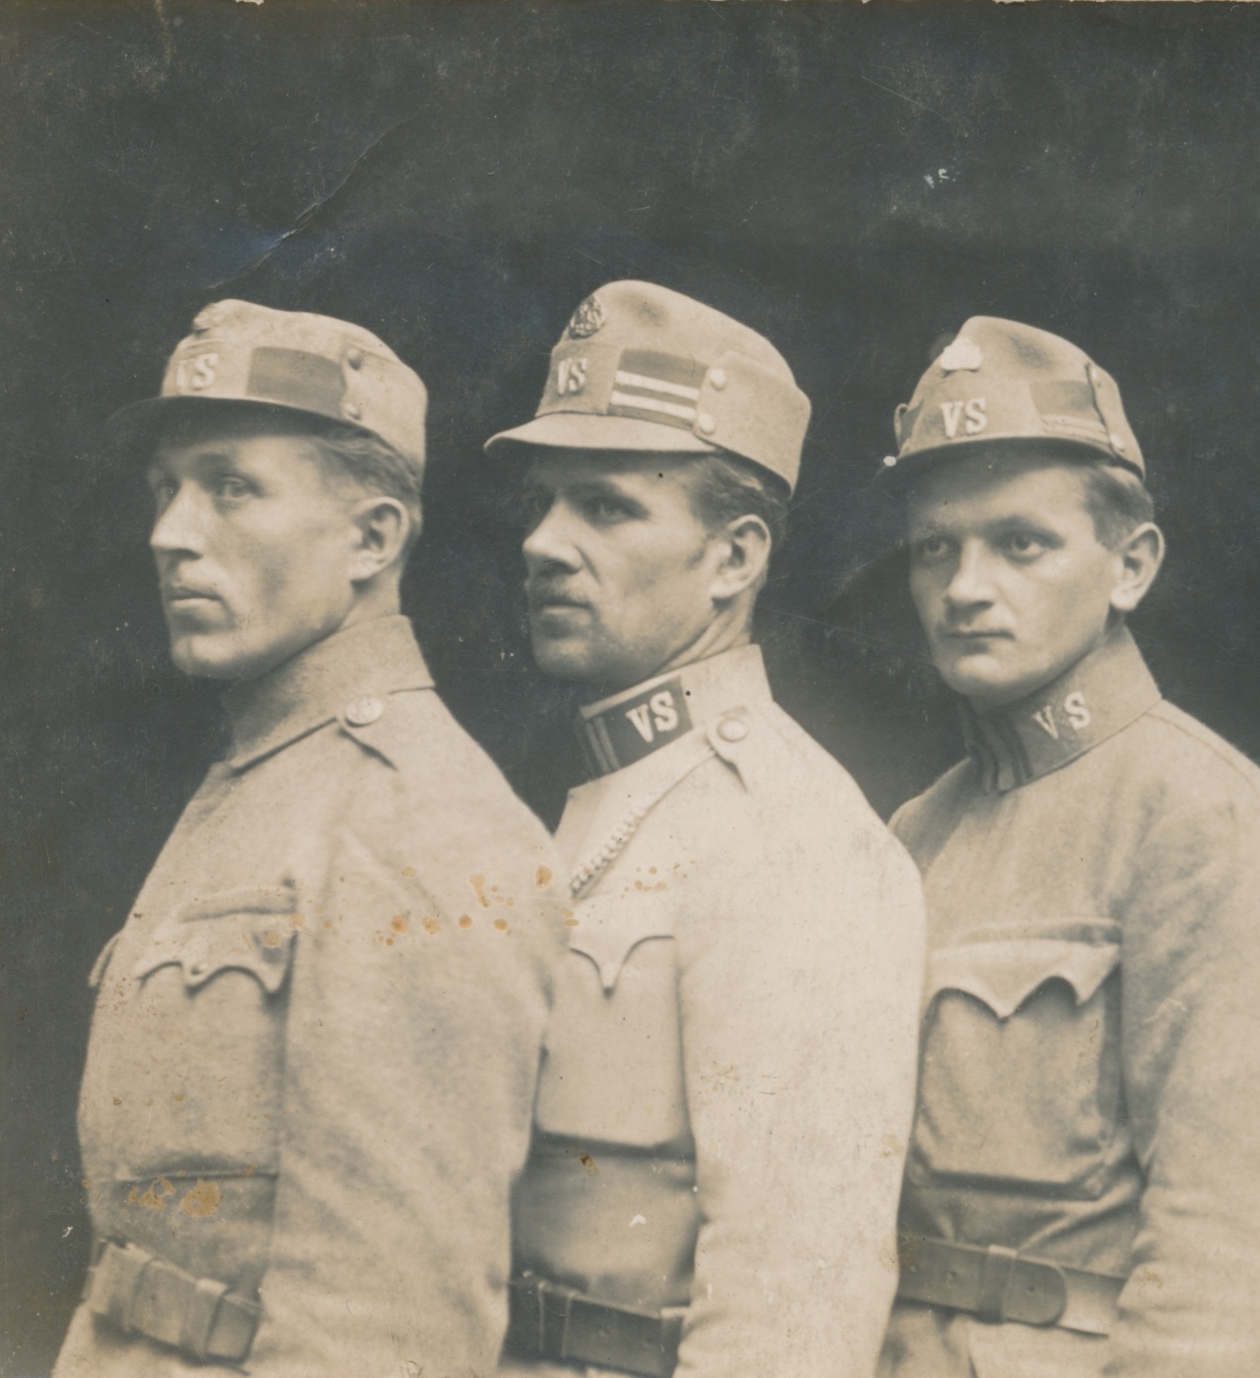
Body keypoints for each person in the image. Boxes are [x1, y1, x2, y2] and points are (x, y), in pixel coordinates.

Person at [55, 300, 563, 1377]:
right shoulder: (265, 777)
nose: (171, 532)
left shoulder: (418, 821)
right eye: (165, 488)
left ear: (373, 538)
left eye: (231, 487)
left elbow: (392, 1324)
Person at [874, 316, 1260, 1378]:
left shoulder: (1205, 822)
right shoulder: (916, 831)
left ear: (1129, 566)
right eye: (935, 548)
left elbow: (1239, 1275)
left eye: (1020, 543)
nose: (964, 586)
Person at [485, 281, 927, 1378]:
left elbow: (795, 1304)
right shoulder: (604, 800)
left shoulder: (789, 834)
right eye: (542, 502)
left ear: (735, 558)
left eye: (605, 507)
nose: (543, 542)